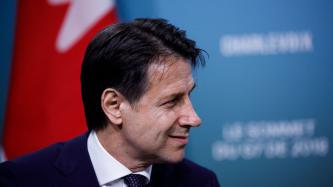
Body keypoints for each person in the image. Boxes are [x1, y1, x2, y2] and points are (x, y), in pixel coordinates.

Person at [0, 18, 220, 187]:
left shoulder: (200, 182)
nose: (194, 118)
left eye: (188, 96)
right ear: (114, 106)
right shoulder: (19, 180)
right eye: (172, 101)